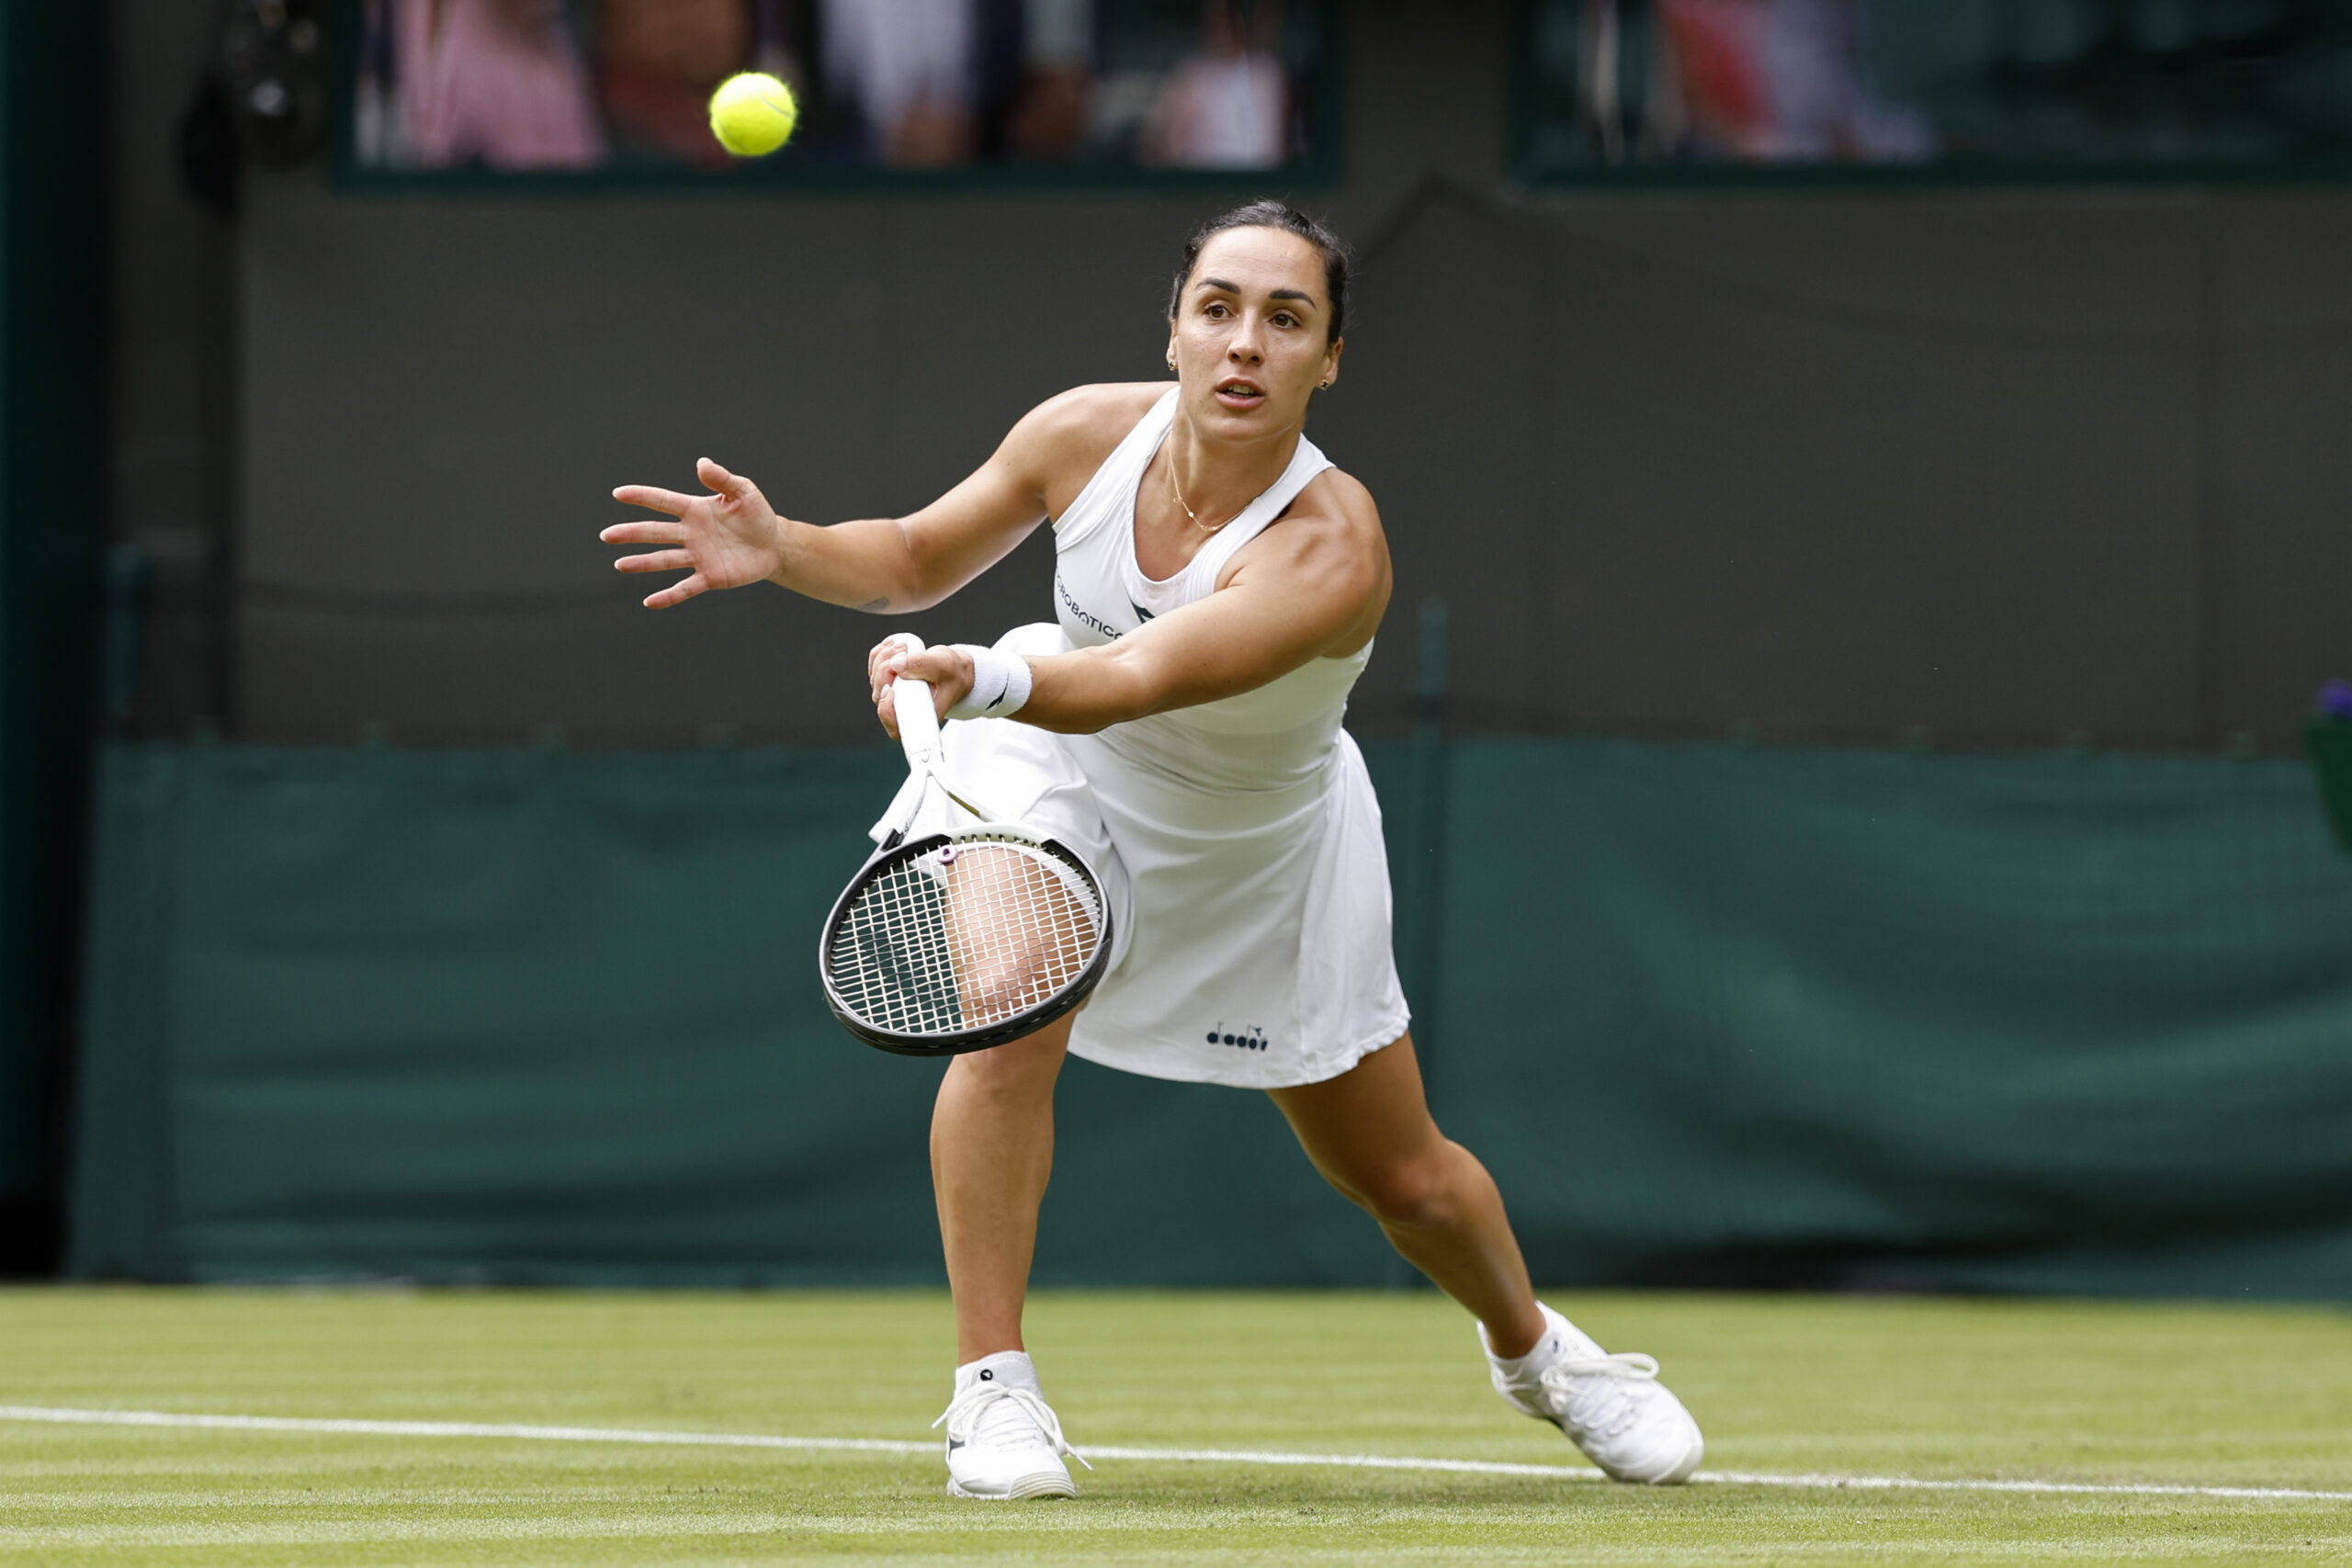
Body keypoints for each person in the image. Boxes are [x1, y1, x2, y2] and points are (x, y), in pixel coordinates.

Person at [601, 201, 1705, 1501]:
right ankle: (992, 1396)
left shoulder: (1332, 546)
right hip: (1059, 769)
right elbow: (908, 560)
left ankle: (1538, 1356)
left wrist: (984, 675)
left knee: (1401, 1178)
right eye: (1219, 308)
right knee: (1009, 1013)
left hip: (1258, 842)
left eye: (1286, 320)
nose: (1246, 343)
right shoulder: (1081, 434)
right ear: (1175, 328)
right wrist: (785, 549)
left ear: (1328, 358)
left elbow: (1138, 674)